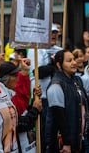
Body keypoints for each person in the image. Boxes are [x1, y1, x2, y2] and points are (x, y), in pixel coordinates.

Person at [45, 49, 89, 153]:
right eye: (69, 61)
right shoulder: (56, 86)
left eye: (74, 59)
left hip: (77, 140)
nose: (74, 62)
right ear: (59, 65)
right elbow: (60, 117)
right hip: (64, 144)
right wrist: (66, 143)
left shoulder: (76, 80)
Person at [28, 23, 62, 152]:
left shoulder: (60, 50)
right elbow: (38, 72)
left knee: (54, 131)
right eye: (51, 32)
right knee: (44, 132)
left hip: (57, 96)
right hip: (41, 97)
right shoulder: (35, 49)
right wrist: (54, 67)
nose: (53, 35)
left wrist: (52, 67)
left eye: (55, 32)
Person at [0, 61, 43, 153]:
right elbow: (19, 124)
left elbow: (25, 112)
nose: (18, 77)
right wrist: (35, 110)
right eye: (15, 75)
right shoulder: (2, 98)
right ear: (5, 79)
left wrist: (35, 101)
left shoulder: (13, 94)